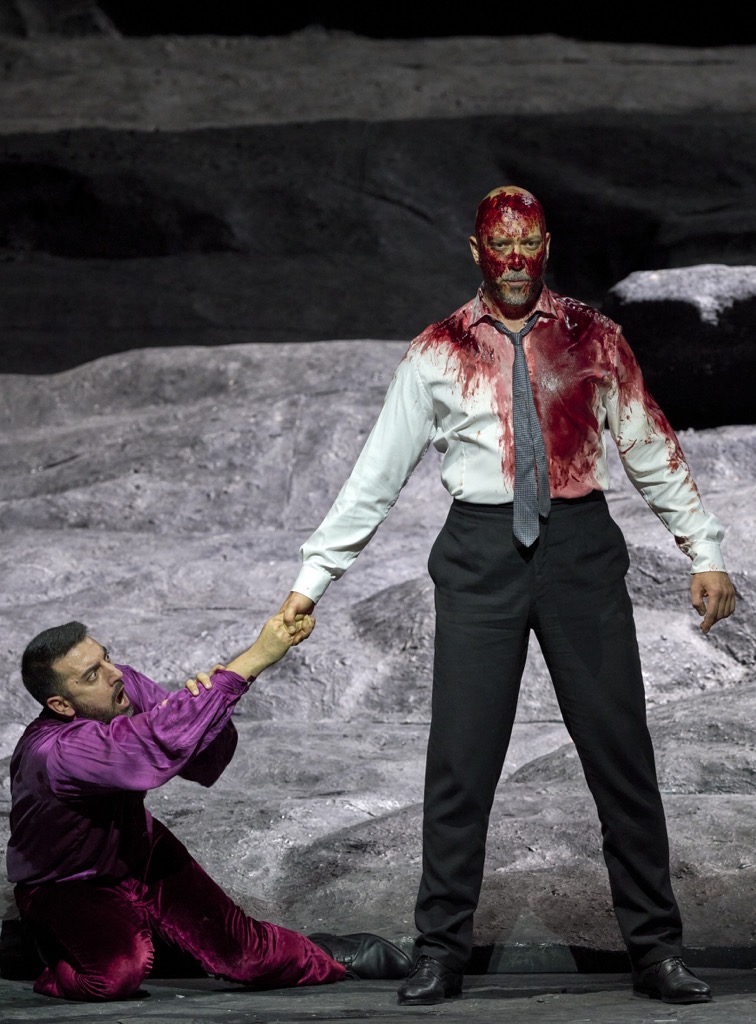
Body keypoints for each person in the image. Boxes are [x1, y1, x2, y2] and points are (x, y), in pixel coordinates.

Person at [278, 186, 737, 1007]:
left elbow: (650, 445)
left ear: (547, 246)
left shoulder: (594, 336)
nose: (516, 259)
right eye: (501, 244)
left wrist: (702, 551)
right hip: (481, 554)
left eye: (529, 244)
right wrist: (313, 580)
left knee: (621, 757)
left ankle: (656, 949)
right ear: (476, 250)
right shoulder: (437, 350)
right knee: (461, 763)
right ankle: (440, 951)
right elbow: (375, 477)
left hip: (579, 551)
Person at [7, 613, 410, 1002]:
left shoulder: (119, 685)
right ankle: (46, 957)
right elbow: (154, 741)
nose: (115, 673)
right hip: (66, 883)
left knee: (243, 956)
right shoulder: (56, 752)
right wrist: (252, 660)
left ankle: (325, 954)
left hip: (137, 850)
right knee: (117, 973)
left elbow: (196, 751)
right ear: (61, 705)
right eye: (92, 675)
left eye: (106, 657)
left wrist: (205, 702)